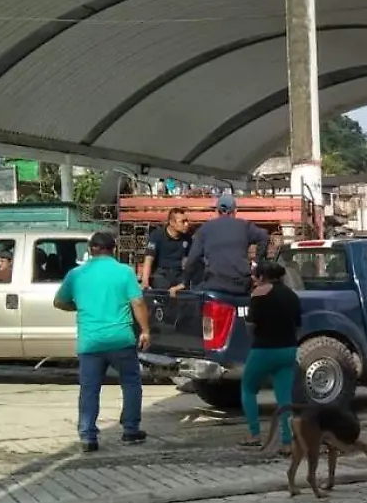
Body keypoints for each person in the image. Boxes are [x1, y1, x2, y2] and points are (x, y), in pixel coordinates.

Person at [54, 232, 151, 453]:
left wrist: (79, 307)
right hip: (121, 340)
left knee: (89, 389)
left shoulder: (76, 274)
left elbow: (59, 301)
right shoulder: (124, 272)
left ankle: (88, 436)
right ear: (113, 249)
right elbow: (137, 303)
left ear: (90, 250)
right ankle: (130, 429)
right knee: (131, 383)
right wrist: (145, 331)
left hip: (90, 342)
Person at [239, 261, 302, 455]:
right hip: (288, 349)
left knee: (248, 388)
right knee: (284, 398)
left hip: (264, 349)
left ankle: (254, 434)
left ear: (261, 277)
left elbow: (251, 324)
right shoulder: (292, 295)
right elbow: (298, 325)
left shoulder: (259, 294)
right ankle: (287, 442)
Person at [172, 193, 271, 296]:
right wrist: (256, 262)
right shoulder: (244, 226)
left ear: (216, 211)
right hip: (241, 285)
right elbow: (264, 237)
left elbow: (192, 259)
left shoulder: (205, 229)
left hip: (215, 285)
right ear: (235, 211)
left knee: (196, 297)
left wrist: (184, 282)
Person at [141, 208, 191, 289]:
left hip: (179, 274)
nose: (187, 224)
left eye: (187, 221)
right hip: (161, 274)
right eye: (183, 221)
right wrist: (145, 280)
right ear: (171, 222)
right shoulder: (157, 235)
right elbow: (149, 258)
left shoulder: (188, 238)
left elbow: (188, 260)